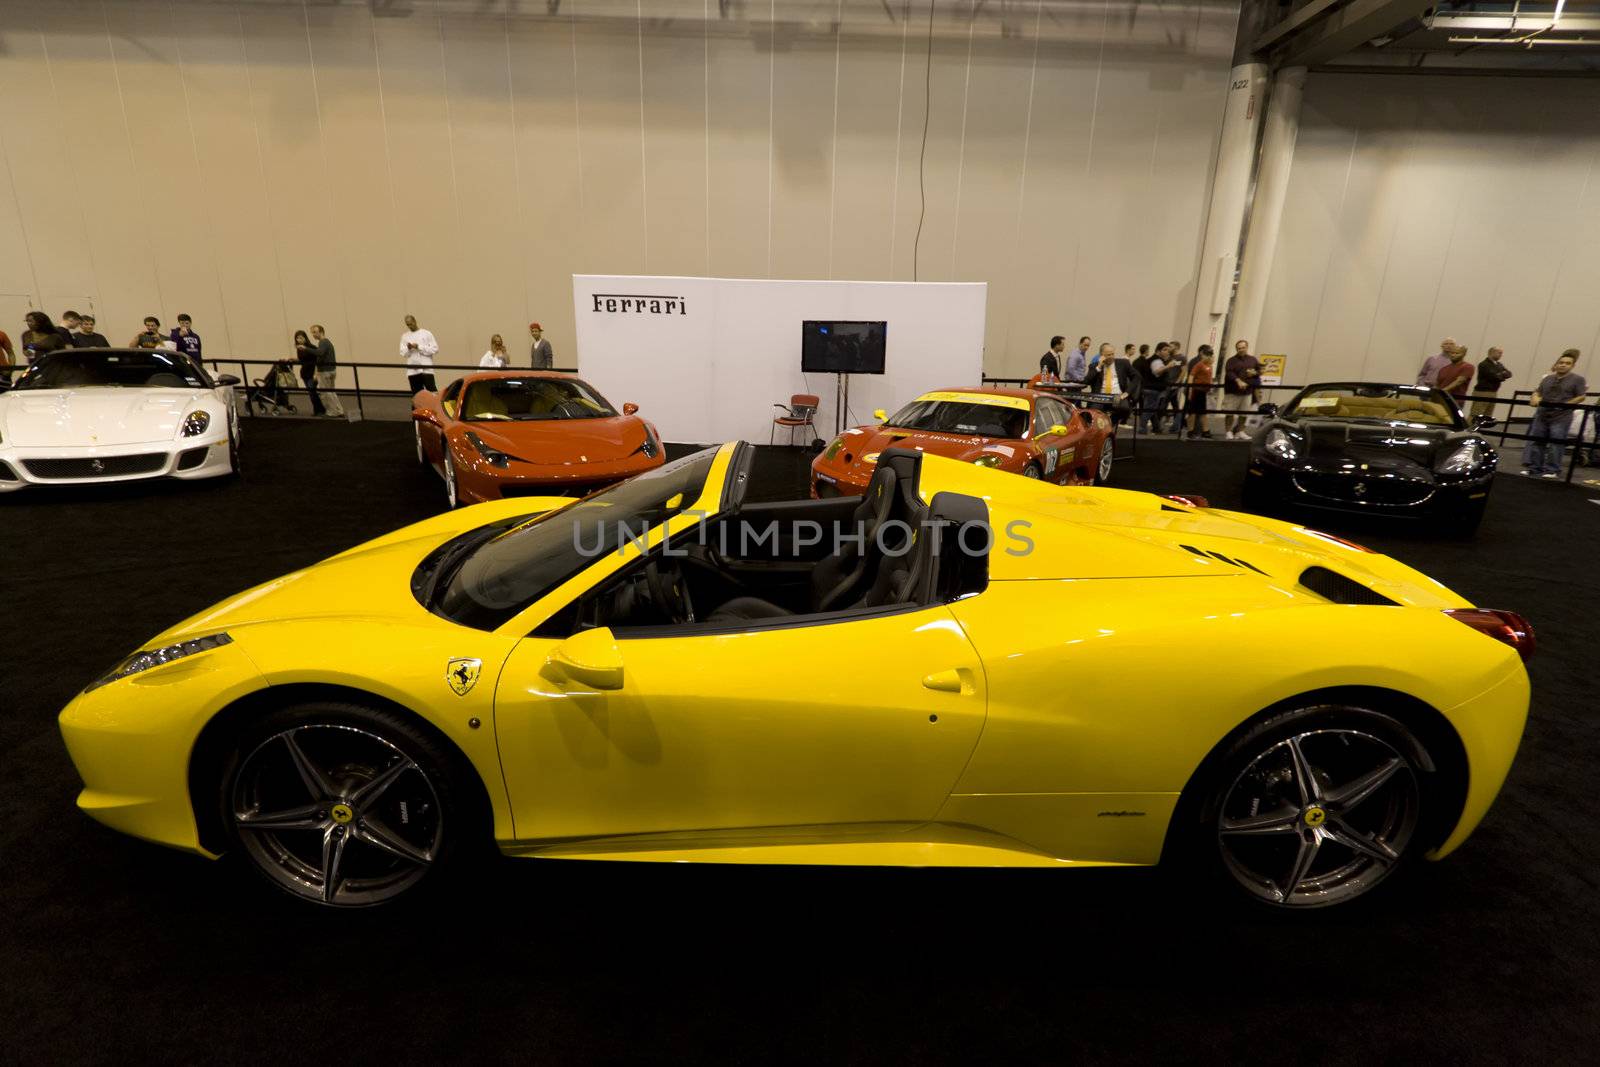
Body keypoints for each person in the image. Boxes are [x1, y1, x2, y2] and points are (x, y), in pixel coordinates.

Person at [1521, 350, 1587, 478]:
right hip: (1542, 415)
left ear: (1572, 366)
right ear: (1556, 364)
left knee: (1555, 444)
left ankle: (1552, 469)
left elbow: (1581, 396)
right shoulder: (1548, 379)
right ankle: (1535, 468)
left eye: (1567, 363)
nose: (1563, 365)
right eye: (1561, 362)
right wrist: (1535, 397)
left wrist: (1567, 404)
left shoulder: (1578, 379)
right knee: (1537, 441)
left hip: (1561, 417)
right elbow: (1538, 391)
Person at [1091, 342, 1139, 425]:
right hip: (1101, 396)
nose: (1111, 357)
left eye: (1112, 354)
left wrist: (1127, 392)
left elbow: (1137, 377)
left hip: (1118, 395)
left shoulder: (1123, 363)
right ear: (1102, 355)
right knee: (1093, 412)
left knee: (1125, 409)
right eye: (1108, 355)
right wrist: (1099, 367)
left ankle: (1110, 423)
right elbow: (1086, 381)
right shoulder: (1095, 366)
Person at [1222, 339, 1261, 440]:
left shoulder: (1253, 360)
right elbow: (1229, 373)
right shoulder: (1231, 360)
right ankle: (1228, 432)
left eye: (1243, 347)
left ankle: (1240, 431)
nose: (1241, 350)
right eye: (1239, 348)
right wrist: (1238, 381)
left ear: (1247, 347)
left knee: (1244, 413)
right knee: (1229, 413)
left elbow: (1259, 371)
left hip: (1247, 392)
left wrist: (1255, 373)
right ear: (1236, 349)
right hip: (1232, 392)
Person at [307, 324, 344, 418]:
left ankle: (332, 412)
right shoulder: (327, 342)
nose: (313, 335)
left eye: (315, 332)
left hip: (325, 371)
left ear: (321, 332)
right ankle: (339, 410)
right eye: (312, 333)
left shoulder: (323, 342)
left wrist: (306, 348)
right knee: (331, 392)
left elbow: (320, 353)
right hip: (331, 370)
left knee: (326, 393)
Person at [1470, 346, 1513, 420]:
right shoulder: (1484, 364)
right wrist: (1502, 374)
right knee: (1476, 414)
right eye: (1499, 353)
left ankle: (1481, 430)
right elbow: (1493, 376)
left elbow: (1509, 374)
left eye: (1501, 353)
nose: (1500, 355)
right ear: (1491, 353)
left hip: (1493, 392)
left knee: (1487, 415)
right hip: (1482, 392)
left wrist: (1500, 375)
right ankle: (1469, 429)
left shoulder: (1499, 364)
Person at [400, 314, 439, 394]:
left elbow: (435, 349)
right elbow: (403, 353)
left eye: (411, 323)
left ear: (415, 321)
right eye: (408, 325)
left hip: (427, 370)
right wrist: (409, 348)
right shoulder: (405, 336)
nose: (410, 326)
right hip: (413, 371)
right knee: (417, 396)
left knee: (432, 393)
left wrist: (419, 347)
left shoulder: (427, 333)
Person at [1183, 346, 1215, 439]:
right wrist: (1189, 390)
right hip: (1196, 391)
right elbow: (1191, 376)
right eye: (1206, 355)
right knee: (1192, 412)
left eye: (1210, 355)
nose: (1208, 357)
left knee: (1203, 412)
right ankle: (1190, 431)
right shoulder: (1199, 365)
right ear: (1202, 355)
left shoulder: (1209, 365)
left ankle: (1206, 431)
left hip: (1203, 392)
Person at [293, 329, 326, 416]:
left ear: (305, 338)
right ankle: (320, 409)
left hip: (312, 373)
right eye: (297, 338)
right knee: (311, 392)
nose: (299, 340)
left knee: (312, 392)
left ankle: (319, 410)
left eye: (301, 338)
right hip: (304, 373)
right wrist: (293, 359)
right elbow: (302, 360)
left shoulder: (312, 347)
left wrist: (316, 373)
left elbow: (317, 361)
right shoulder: (299, 349)